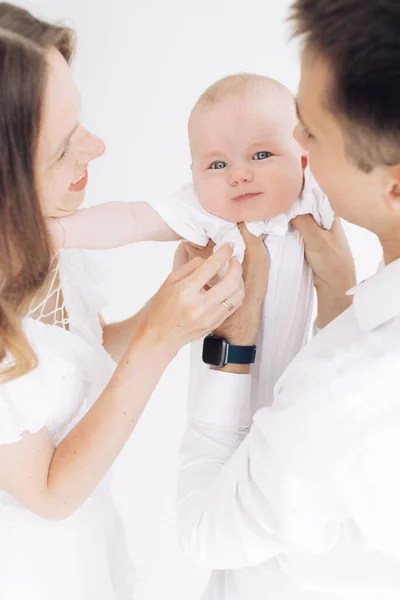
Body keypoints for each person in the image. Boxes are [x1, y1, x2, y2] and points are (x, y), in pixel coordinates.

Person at [0, 4, 244, 599]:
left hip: (89, 546)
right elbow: (50, 492)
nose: (98, 147)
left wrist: (165, 307)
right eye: (63, 149)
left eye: (82, 120)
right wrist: (160, 339)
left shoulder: (47, 230)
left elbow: (77, 357)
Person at [175, 1, 400, 599]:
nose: (294, 140)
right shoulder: (357, 351)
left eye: (312, 130)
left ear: (394, 185)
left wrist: (232, 346)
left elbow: (202, 530)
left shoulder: (339, 393)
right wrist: (340, 307)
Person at [47, 73, 335, 411]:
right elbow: (132, 220)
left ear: (303, 159)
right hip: (222, 382)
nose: (238, 174)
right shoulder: (205, 212)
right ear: (194, 175)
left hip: (297, 386)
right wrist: (54, 233)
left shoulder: (311, 198)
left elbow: (369, 176)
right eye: (217, 164)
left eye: (261, 155)